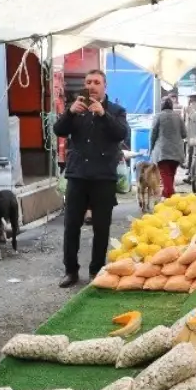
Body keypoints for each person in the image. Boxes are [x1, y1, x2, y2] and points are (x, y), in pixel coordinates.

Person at [54, 69, 129, 286]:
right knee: (71, 225)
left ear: (105, 86)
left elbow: (121, 134)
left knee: (101, 226)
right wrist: (69, 112)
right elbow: (59, 129)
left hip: (103, 176)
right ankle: (70, 270)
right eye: (88, 81)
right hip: (77, 175)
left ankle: (97, 270)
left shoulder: (116, 110)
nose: (92, 86)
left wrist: (103, 115)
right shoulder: (77, 107)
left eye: (97, 82)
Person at [150, 96, 187, 198]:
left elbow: (153, 134)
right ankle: (167, 196)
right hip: (176, 152)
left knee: (166, 176)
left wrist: (151, 148)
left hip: (163, 152)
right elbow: (184, 134)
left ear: (161, 106)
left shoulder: (158, 116)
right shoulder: (178, 117)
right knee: (170, 176)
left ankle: (170, 198)